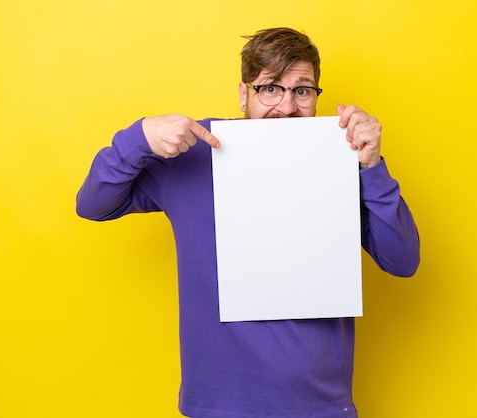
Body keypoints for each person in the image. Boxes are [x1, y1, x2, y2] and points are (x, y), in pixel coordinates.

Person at [76, 27, 419, 418]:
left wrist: (372, 166)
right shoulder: (194, 153)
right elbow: (93, 205)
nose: (287, 107)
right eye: (271, 88)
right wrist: (137, 138)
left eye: (302, 90)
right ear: (244, 94)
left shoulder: (339, 158)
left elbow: (402, 261)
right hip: (220, 405)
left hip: (321, 405)